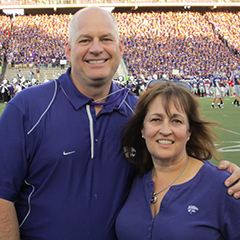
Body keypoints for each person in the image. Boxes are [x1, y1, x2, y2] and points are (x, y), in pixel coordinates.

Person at [0, 7, 239, 240]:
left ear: (120, 48)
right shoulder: (27, 108)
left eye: (106, 39)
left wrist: (227, 179)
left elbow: (178, 157)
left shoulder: (139, 115)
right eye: (85, 40)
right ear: (68, 49)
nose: (96, 48)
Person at [116, 81, 240, 239]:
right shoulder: (131, 178)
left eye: (176, 121)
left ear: (189, 131)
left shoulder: (226, 186)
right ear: (142, 128)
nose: (165, 131)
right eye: (156, 119)